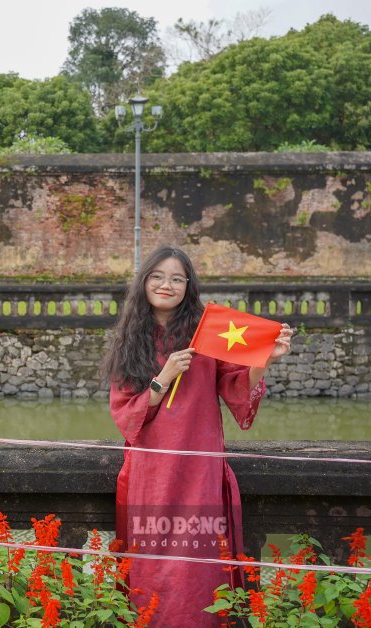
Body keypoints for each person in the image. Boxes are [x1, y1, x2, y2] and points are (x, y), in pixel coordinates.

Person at [100, 246, 291, 626]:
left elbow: (236, 389)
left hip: (199, 473)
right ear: (144, 282)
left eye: (176, 278)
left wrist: (263, 360)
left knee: (200, 572)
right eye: (157, 276)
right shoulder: (130, 340)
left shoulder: (208, 331)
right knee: (149, 570)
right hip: (151, 475)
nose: (166, 285)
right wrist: (164, 376)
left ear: (189, 286)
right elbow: (126, 416)